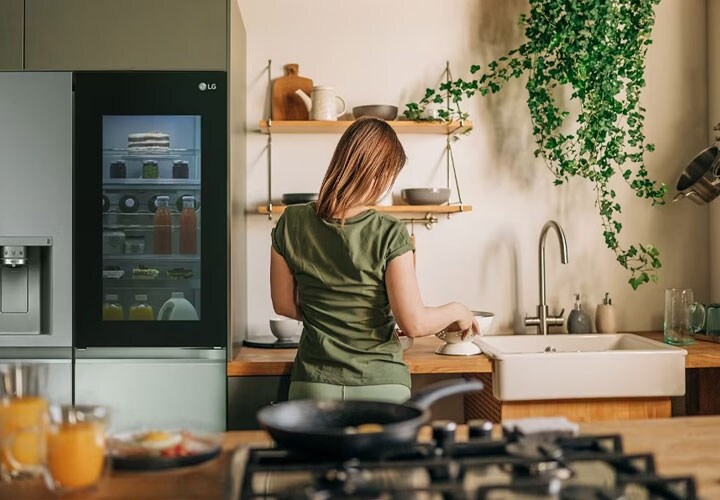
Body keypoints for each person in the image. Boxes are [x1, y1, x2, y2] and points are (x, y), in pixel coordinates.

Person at [270, 116, 479, 403]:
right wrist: (459, 309)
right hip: (380, 384)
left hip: (313, 382)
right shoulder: (390, 232)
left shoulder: (291, 221)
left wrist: (332, 312)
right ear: (380, 175)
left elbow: (283, 305)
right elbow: (414, 323)